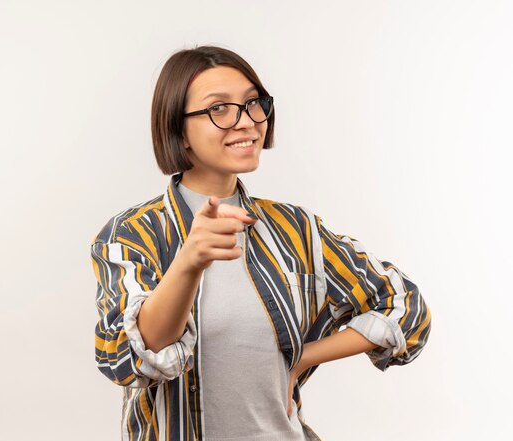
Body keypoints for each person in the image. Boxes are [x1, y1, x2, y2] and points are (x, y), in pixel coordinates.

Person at [90, 45, 431, 441]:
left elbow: (406, 305)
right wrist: (189, 262)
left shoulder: (296, 230)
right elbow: (127, 360)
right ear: (179, 130)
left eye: (254, 103)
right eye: (219, 108)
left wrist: (302, 359)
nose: (247, 121)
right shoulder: (132, 234)